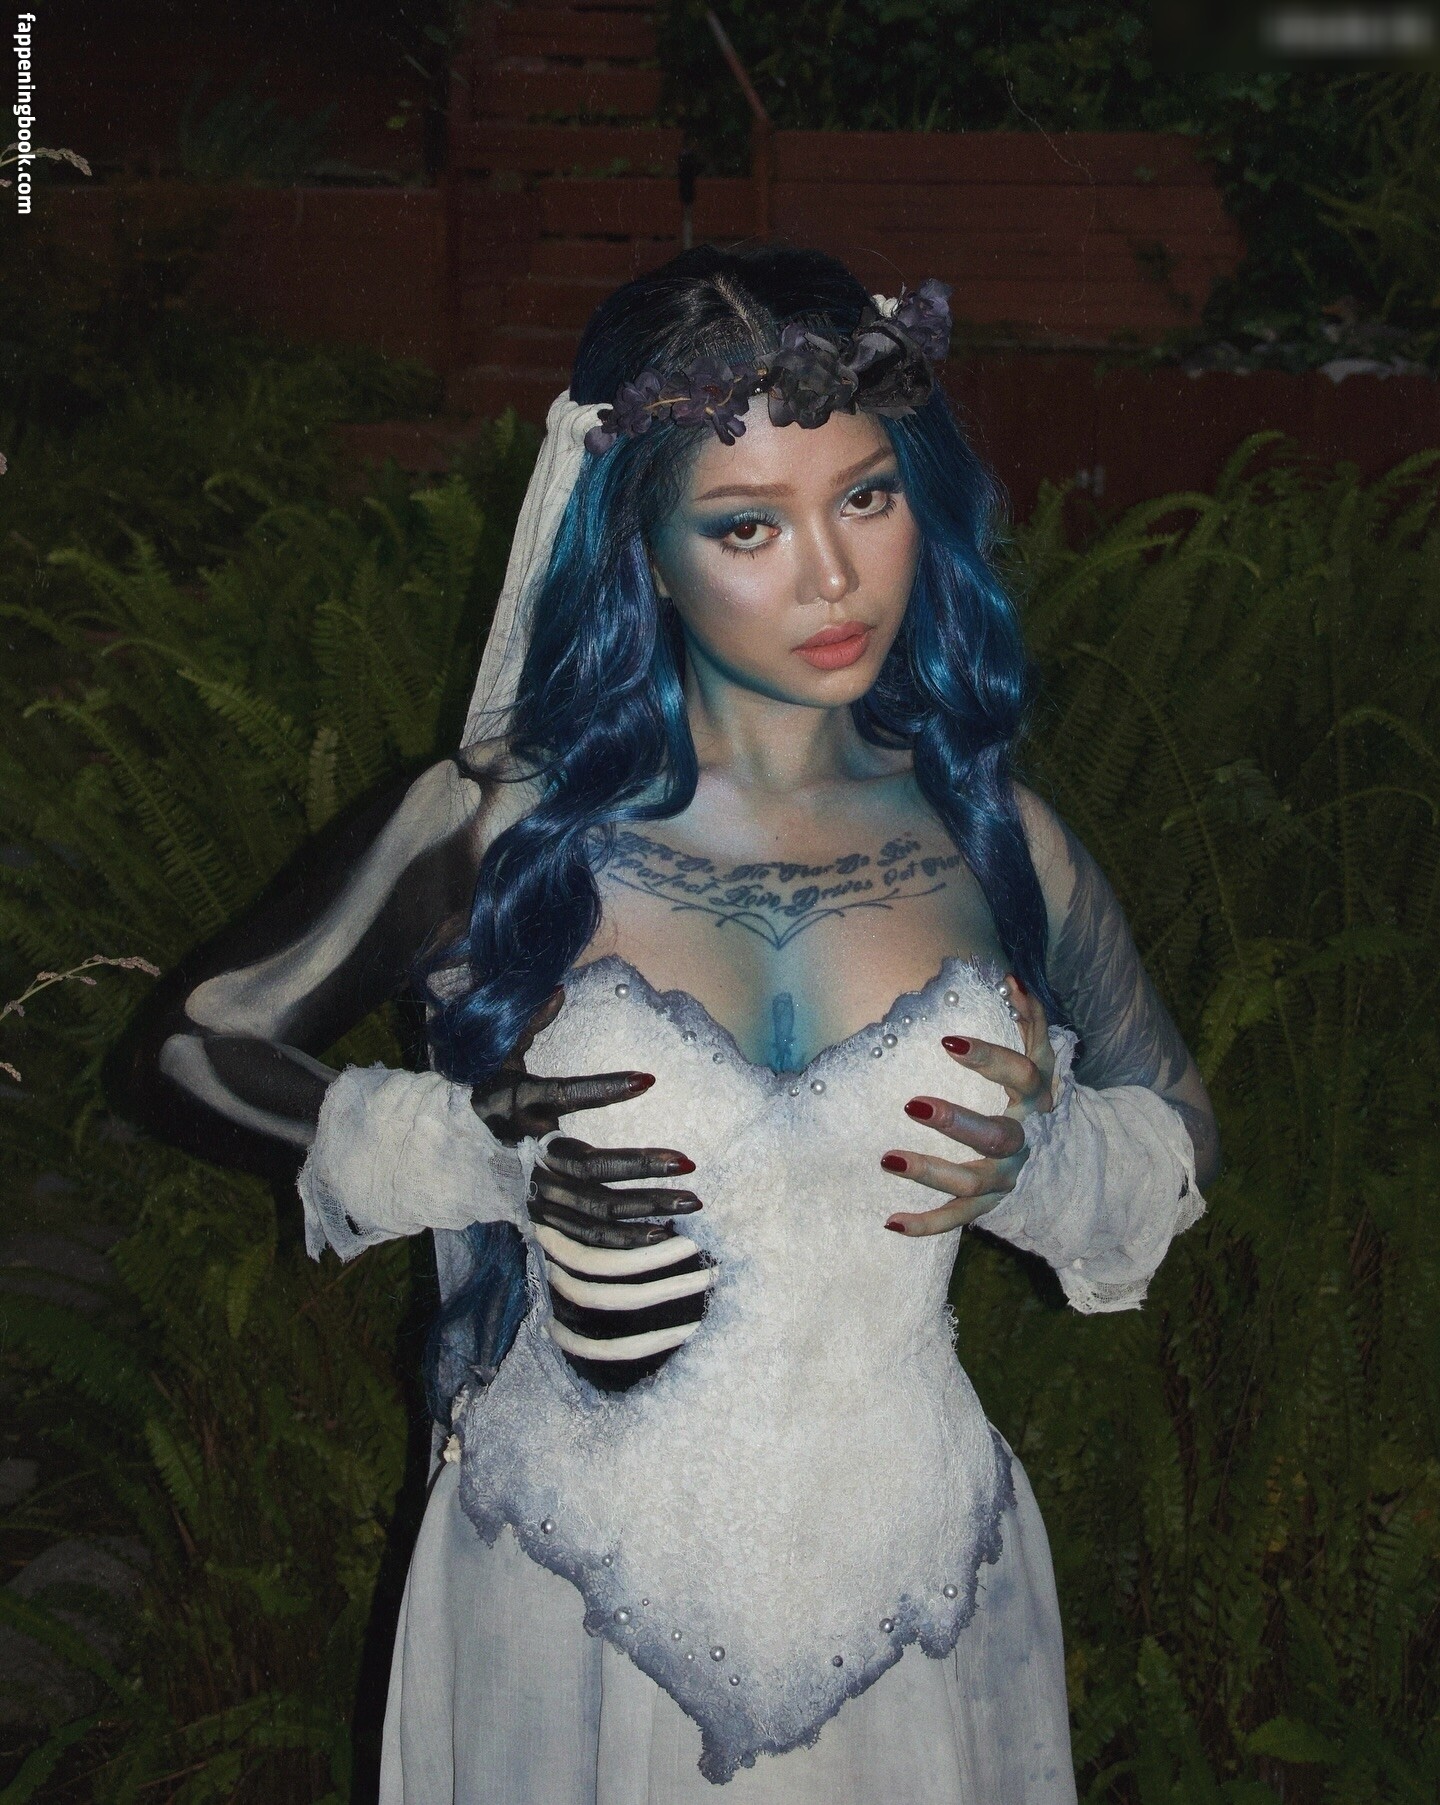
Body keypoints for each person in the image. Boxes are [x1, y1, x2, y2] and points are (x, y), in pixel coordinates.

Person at [121, 245, 1218, 1803]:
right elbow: (184, 1049)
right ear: (638, 545)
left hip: (917, 1611)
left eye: (866, 496)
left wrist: (1043, 1162)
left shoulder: (998, 843)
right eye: (749, 524)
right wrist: (464, 1150)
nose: (831, 577)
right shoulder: (492, 830)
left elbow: (1179, 1126)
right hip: (566, 1616)